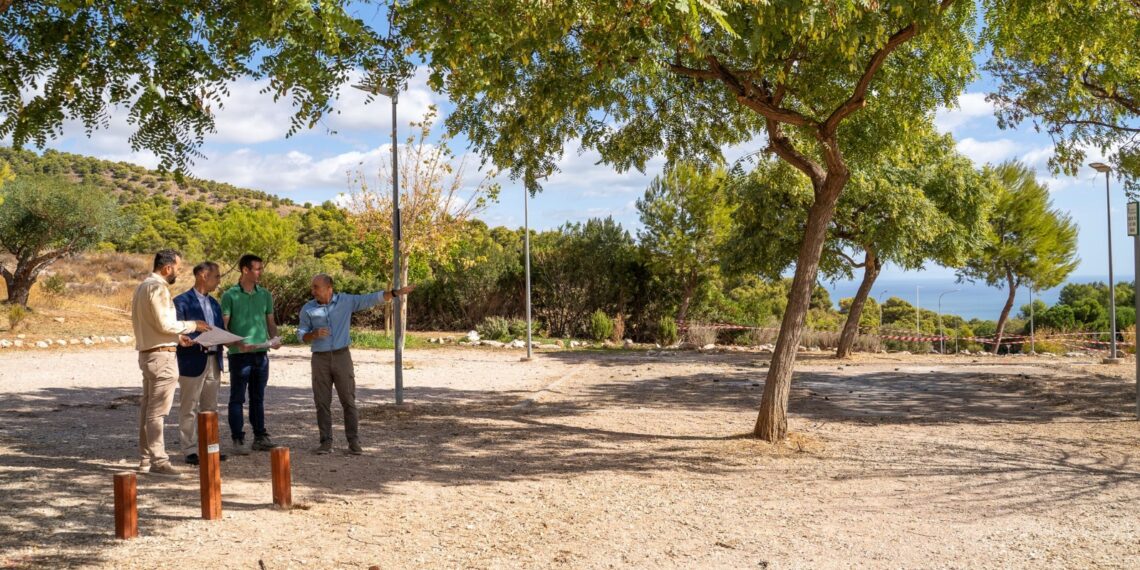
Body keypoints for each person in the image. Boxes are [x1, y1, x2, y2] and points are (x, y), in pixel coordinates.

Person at [296, 274, 415, 455]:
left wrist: (395, 293)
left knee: (348, 400)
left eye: (316, 287)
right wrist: (312, 334)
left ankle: (353, 442)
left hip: (342, 356)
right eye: (312, 287)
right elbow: (301, 333)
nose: (312, 291)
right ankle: (326, 442)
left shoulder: (346, 301)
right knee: (321, 402)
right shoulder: (308, 308)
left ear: (329, 288)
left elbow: (370, 298)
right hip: (319, 359)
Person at [131, 249, 210, 478]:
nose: (178, 272)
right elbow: (165, 323)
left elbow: (153, 325)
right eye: (177, 268)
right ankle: (159, 461)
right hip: (161, 357)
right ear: (167, 268)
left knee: (148, 409)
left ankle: (146, 459)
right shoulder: (157, 288)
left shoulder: (142, 287)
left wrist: (177, 338)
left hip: (150, 352)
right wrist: (193, 326)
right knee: (157, 412)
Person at [221, 253, 281, 455]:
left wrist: (275, 339)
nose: (260, 272)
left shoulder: (265, 295)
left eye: (261, 268)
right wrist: (235, 344)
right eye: (257, 269)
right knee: (237, 398)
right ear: (245, 270)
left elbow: (270, 322)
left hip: (261, 354)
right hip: (239, 355)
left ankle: (260, 436)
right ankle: (238, 439)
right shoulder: (230, 295)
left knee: (258, 397)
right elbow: (224, 327)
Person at [173, 261, 228, 466]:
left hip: (214, 360)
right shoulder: (181, 301)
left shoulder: (215, 303)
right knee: (189, 406)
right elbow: (175, 329)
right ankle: (189, 450)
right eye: (217, 276)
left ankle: (210, 447)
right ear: (203, 275)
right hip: (191, 359)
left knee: (210, 407)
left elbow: (219, 329)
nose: (219, 280)